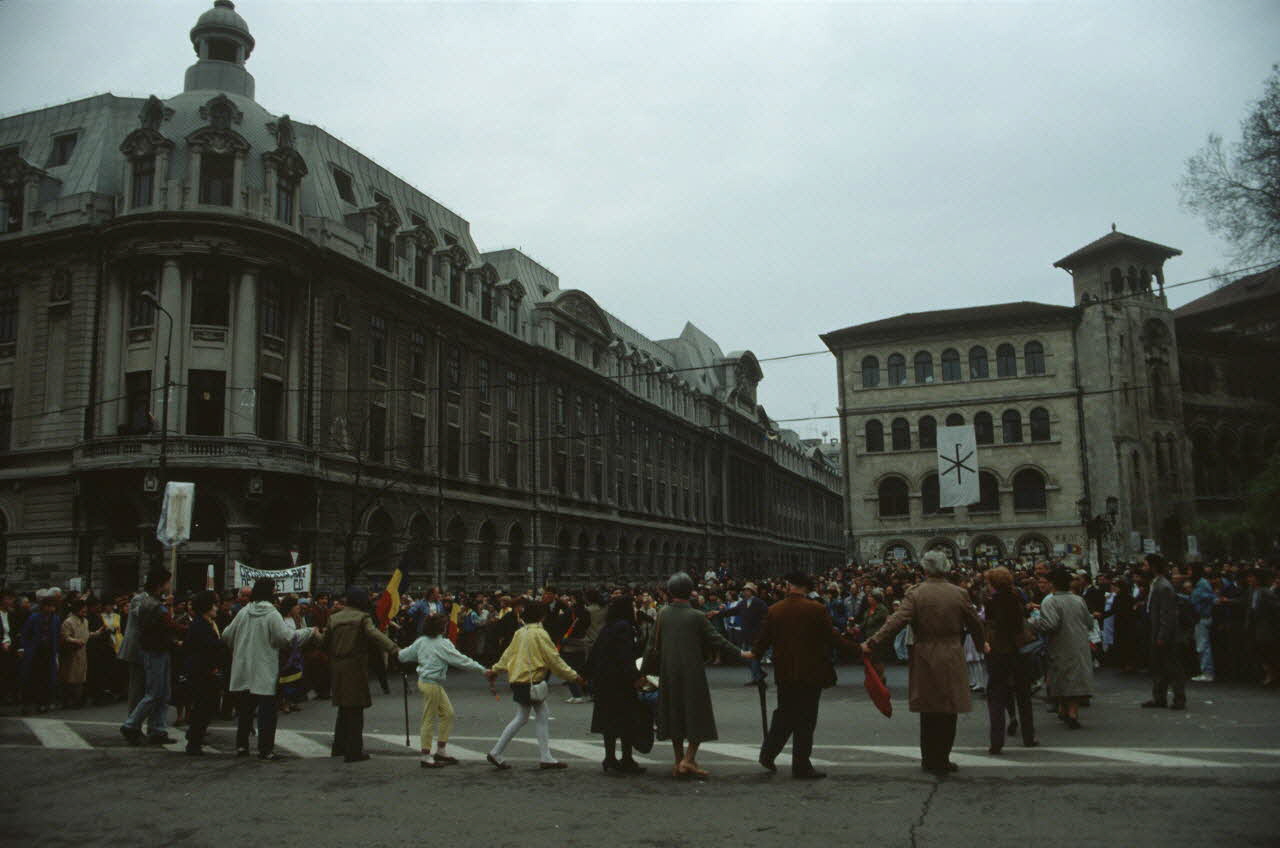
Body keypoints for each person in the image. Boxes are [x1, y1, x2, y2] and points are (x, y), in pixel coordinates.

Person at [862, 551, 984, 776]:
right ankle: (943, 758)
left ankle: (929, 758)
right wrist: (981, 644)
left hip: (925, 652)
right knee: (949, 709)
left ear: (925, 569)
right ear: (946, 567)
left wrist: (873, 642)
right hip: (952, 651)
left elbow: (896, 621)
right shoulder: (959, 593)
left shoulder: (915, 593)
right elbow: (975, 622)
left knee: (928, 709)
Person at [648, 572, 750, 779]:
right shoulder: (696, 616)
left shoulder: (663, 614)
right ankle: (689, 759)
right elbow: (717, 640)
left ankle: (679, 761)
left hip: (668, 672)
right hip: (692, 672)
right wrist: (741, 653)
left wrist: (643, 673)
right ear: (690, 592)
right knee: (698, 715)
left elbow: (651, 645)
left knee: (675, 716)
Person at [754, 572, 856, 780]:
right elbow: (832, 638)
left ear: (790, 586)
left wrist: (752, 654)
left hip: (784, 672)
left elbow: (762, 641)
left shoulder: (775, 609)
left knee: (784, 714)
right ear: (807, 588)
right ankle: (801, 765)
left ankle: (768, 753)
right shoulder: (816, 609)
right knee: (806, 719)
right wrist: (858, 649)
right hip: (811, 672)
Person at [222, 577, 316, 761]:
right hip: (265, 669)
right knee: (267, 713)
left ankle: (242, 746)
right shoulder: (272, 613)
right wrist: (308, 632)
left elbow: (226, 634)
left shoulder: (244, 612)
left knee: (246, 711)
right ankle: (265, 750)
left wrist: (240, 647)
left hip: (244, 668)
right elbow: (285, 638)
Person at [484, 601, 586, 770]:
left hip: (519, 678)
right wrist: (574, 676)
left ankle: (536, 756)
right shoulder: (540, 634)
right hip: (532, 679)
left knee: (530, 716)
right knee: (528, 717)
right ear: (542, 617)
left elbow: (508, 654)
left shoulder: (520, 632)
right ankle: (503, 752)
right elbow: (554, 659)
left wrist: (496, 669)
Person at [398, 613, 488, 768]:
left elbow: (402, 656)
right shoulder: (443, 644)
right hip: (432, 683)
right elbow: (461, 660)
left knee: (447, 714)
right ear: (441, 628)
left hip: (427, 682)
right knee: (429, 718)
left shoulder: (421, 641)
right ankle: (425, 755)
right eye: (445, 625)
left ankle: (440, 750)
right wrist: (482, 669)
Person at [321, 586, 397, 763]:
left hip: (337, 666)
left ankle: (338, 747)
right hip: (354, 666)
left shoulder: (334, 618)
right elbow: (375, 635)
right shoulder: (362, 617)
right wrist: (394, 649)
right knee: (355, 709)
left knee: (343, 708)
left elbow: (324, 642)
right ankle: (354, 751)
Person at [587, 594, 648, 775]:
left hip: (605, 680)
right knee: (626, 720)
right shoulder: (624, 627)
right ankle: (626, 759)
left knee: (610, 723)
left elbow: (596, 653)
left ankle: (610, 758)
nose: (635, 610)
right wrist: (635, 676)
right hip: (619, 682)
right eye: (633, 607)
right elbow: (625, 655)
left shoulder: (609, 627)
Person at [1029, 567, 1094, 729]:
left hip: (1060, 643)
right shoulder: (1078, 600)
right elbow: (1089, 621)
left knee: (1061, 676)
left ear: (1053, 584)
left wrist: (1033, 623)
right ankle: (1072, 712)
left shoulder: (1050, 601)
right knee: (1075, 677)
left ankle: (1065, 710)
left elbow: (1050, 624)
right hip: (1079, 643)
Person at [983, 567, 1037, 753]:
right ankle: (1029, 736)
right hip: (1018, 651)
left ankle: (996, 741)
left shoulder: (991, 602)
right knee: (1023, 695)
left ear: (993, 584)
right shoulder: (1016, 598)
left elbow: (992, 626)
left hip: (999, 651)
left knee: (996, 696)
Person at [119, 569, 174, 744]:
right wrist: (162, 608)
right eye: (167, 582)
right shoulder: (140, 599)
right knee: (139, 691)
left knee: (160, 691)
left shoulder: (158, 600)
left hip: (154, 648)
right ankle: (133, 727)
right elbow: (143, 617)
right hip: (138, 648)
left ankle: (156, 728)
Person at [183, 590, 226, 755]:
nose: (216, 608)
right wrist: (223, 644)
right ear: (206, 606)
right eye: (214, 605)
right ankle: (194, 741)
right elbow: (207, 647)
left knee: (206, 706)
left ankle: (195, 735)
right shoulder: (200, 625)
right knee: (203, 706)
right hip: (202, 671)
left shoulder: (206, 623)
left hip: (206, 670)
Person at [1142, 554, 1187, 710]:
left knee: (1172, 667)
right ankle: (1159, 697)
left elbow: (1167, 614)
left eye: (1145, 565)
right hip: (1156, 631)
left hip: (1166, 634)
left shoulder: (1164, 587)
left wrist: (1162, 635)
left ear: (1153, 567)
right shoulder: (1155, 584)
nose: (1143, 568)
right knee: (1158, 666)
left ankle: (1179, 698)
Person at [19, 593, 61, 715]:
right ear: (43, 606)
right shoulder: (34, 617)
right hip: (34, 652)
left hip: (48, 652)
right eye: (48, 606)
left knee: (46, 678)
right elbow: (25, 633)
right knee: (31, 678)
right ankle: (26, 705)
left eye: (53, 606)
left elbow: (57, 635)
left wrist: (56, 652)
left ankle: (42, 703)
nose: (50, 609)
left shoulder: (56, 619)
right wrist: (23, 648)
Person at [719, 583, 768, 685]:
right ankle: (760, 673)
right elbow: (732, 611)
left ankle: (757, 678)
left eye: (747, 590)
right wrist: (718, 613)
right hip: (745, 633)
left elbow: (766, 617)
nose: (745, 592)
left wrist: (762, 630)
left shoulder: (759, 603)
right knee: (745, 657)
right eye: (744, 590)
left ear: (752, 592)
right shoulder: (742, 603)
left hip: (756, 634)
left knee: (753, 657)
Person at [58, 598, 91, 708]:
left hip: (82, 652)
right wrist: (75, 641)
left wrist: (96, 633)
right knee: (69, 677)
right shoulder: (68, 622)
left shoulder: (85, 621)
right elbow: (65, 636)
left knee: (80, 677)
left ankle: (78, 700)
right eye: (82, 609)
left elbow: (86, 634)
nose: (85, 611)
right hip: (71, 652)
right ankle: (67, 701)